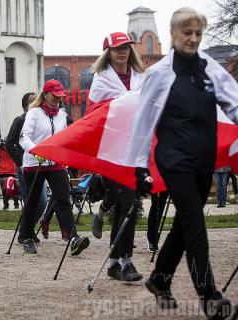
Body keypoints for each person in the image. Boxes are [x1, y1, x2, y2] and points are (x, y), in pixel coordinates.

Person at [130, 8, 238, 319]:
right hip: (173, 158)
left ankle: (160, 278)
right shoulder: (159, 73)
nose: (192, 38)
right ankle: (210, 296)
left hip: (203, 159)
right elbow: (144, 121)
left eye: (197, 34)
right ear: (173, 35)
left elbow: (233, 105)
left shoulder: (211, 69)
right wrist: (140, 166)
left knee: (184, 225)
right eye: (186, 33)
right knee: (195, 224)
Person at [88, 31, 145, 282]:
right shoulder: (101, 80)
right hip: (111, 152)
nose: (122, 51)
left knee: (126, 204)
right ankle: (126, 261)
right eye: (117, 48)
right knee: (128, 202)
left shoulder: (142, 77)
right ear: (108, 53)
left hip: (136, 150)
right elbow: (93, 115)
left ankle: (114, 262)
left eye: (126, 47)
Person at [19, 79, 90, 255]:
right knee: (33, 201)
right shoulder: (33, 113)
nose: (58, 100)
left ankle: (73, 238)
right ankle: (27, 236)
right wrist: (36, 151)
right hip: (34, 163)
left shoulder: (62, 115)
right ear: (45, 95)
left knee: (63, 199)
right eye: (55, 96)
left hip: (56, 163)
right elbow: (23, 138)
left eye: (60, 97)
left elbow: (65, 139)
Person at [5, 92, 47, 244]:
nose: (38, 102)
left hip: (41, 166)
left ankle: (27, 230)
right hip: (25, 167)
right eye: (33, 100)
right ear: (26, 106)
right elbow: (9, 143)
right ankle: (26, 233)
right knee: (32, 201)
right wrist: (20, 162)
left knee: (42, 202)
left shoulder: (43, 119)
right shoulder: (20, 120)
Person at [0, 143, 19, 210]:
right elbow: (16, 155)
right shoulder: (11, 147)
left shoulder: (1, 149)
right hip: (10, 171)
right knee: (12, 188)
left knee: (5, 190)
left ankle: (6, 205)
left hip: (3, 172)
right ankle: (15, 205)